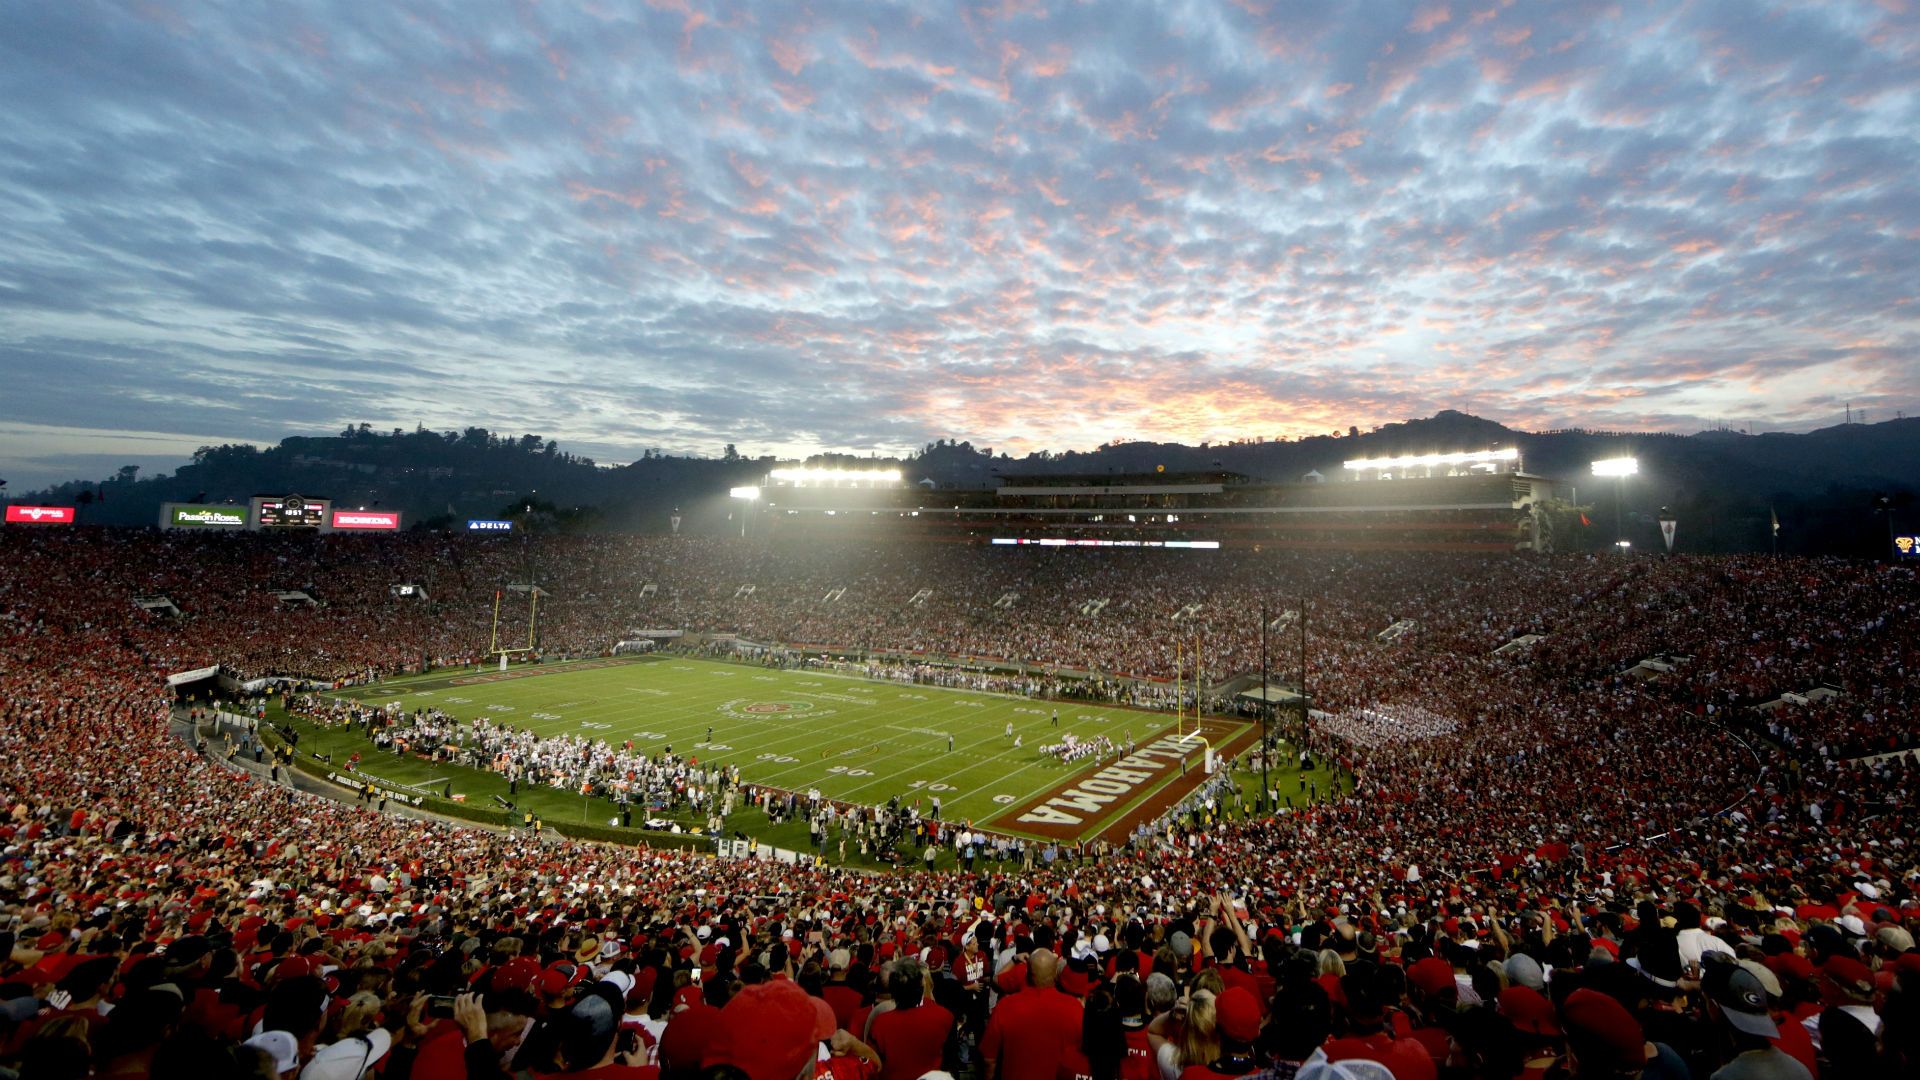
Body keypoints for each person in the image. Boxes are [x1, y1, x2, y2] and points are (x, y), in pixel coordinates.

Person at [981, 949, 1084, 1080]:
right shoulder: (1074, 1008)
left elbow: (989, 1060)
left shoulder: (1006, 1006)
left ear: (1028, 973)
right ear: (1055, 974)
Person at [867, 959, 952, 1080]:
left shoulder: (880, 1023)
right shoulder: (944, 1016)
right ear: (922, 985)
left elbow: (872, 1066)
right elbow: (950, 1062)